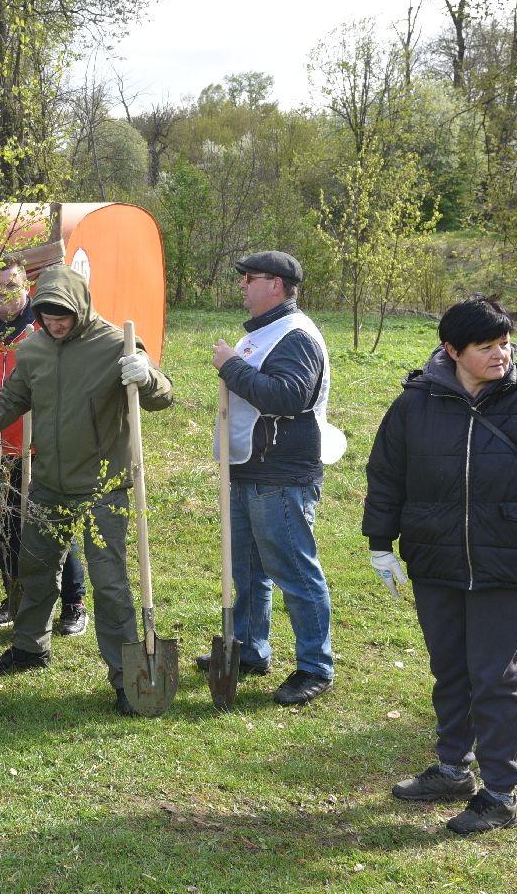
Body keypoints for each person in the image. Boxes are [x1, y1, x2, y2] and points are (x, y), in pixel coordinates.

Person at [363, 295, 517, 835]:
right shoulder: (413, 404)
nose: (501, 355)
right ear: (452, 351)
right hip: (435, 558)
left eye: (505, 343)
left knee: (493, 678)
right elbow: (387, 474)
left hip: (511, 564)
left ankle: (499, 794)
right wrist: (380, 541)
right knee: (450, 670)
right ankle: (451, 769)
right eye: (486, 347)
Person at [0, 264, 173, 715]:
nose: (55, 322)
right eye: (47, 315)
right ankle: (30, 646)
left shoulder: (114, 344)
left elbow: (163, 395)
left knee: (109, 582)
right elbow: (10, 400)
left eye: (63, 315)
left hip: (104, 483)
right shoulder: (35, 348)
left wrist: (145, 374)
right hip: (49, 481)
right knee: (34, 567)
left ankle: (127, 678)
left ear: (81, 306)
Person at [203, 251, 340, 706]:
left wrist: (231, 367)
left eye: (249, 278)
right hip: (248, 471)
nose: (241, 284)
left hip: (280, 476)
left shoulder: (296, 336)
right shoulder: (264, 334)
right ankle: (249, 649)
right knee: (248, 571)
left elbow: (288, 396)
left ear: (276, 285)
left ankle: (315, 666)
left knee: (294, 571)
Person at [0, 261, 88, 636]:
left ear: (26, 284)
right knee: (7, 527)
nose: (3, 293)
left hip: (40, 446)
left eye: (11, 285)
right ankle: (15, 597)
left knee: (52, 523)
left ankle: (74, 602)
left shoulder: (43, 328)